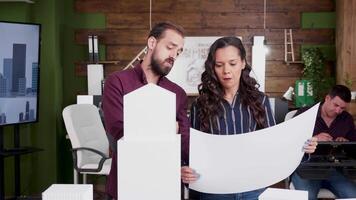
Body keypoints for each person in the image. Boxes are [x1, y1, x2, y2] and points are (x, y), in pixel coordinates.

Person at [181, 36, 317, 200]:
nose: (226, 71)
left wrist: (303, 148)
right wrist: (184, 168)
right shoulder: (200, 105)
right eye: (219, 65)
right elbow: (191, 150)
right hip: (215, 190)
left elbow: (274, 145)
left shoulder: (260, 101)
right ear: (212, 67)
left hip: (253, 189)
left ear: (243, 63)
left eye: (232, 63)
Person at [102, 21, 190, 200]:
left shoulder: (178, 93)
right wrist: (168, 129)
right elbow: (119, 131)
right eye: (170, 47)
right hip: (127, 182)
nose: (174, 55)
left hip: (167, 184)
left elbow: (184, 140)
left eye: (178, 52)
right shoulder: (117, 82)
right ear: (152, 43)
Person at [291, 85, 356, 200]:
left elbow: (353, 148)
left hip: (334, 169)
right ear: (327, 98)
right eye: (336, 105)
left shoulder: (346, 119)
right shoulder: (305, 113)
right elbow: (289, 142)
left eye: (342, 108)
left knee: (352, 195)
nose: (338, 111)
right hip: (305, 169)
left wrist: (345, 143)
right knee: (308, 197)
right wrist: (313, 138)